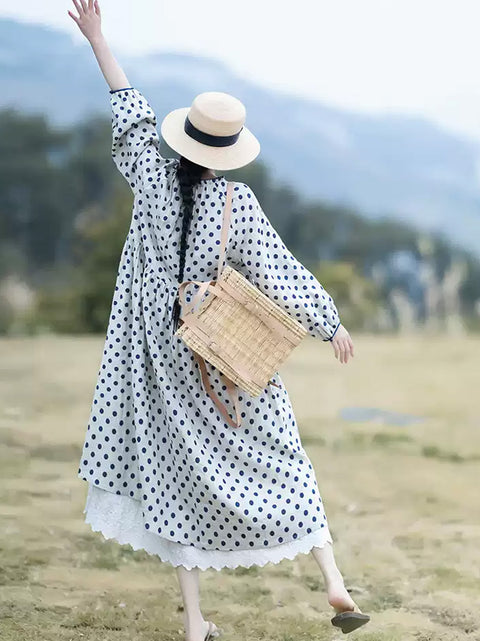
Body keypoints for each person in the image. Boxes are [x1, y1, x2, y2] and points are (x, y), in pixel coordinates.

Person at [69, 0, 370, 638]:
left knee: (174, 474)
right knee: (280, 452)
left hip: (156, 352)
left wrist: (99, 40)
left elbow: (129, 113)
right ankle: (335, 582)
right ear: (228, 152)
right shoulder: (236, 201)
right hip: (219, 352)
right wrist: (329, 323)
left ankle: (197, 622)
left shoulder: (149, 177)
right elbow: (279, 272)